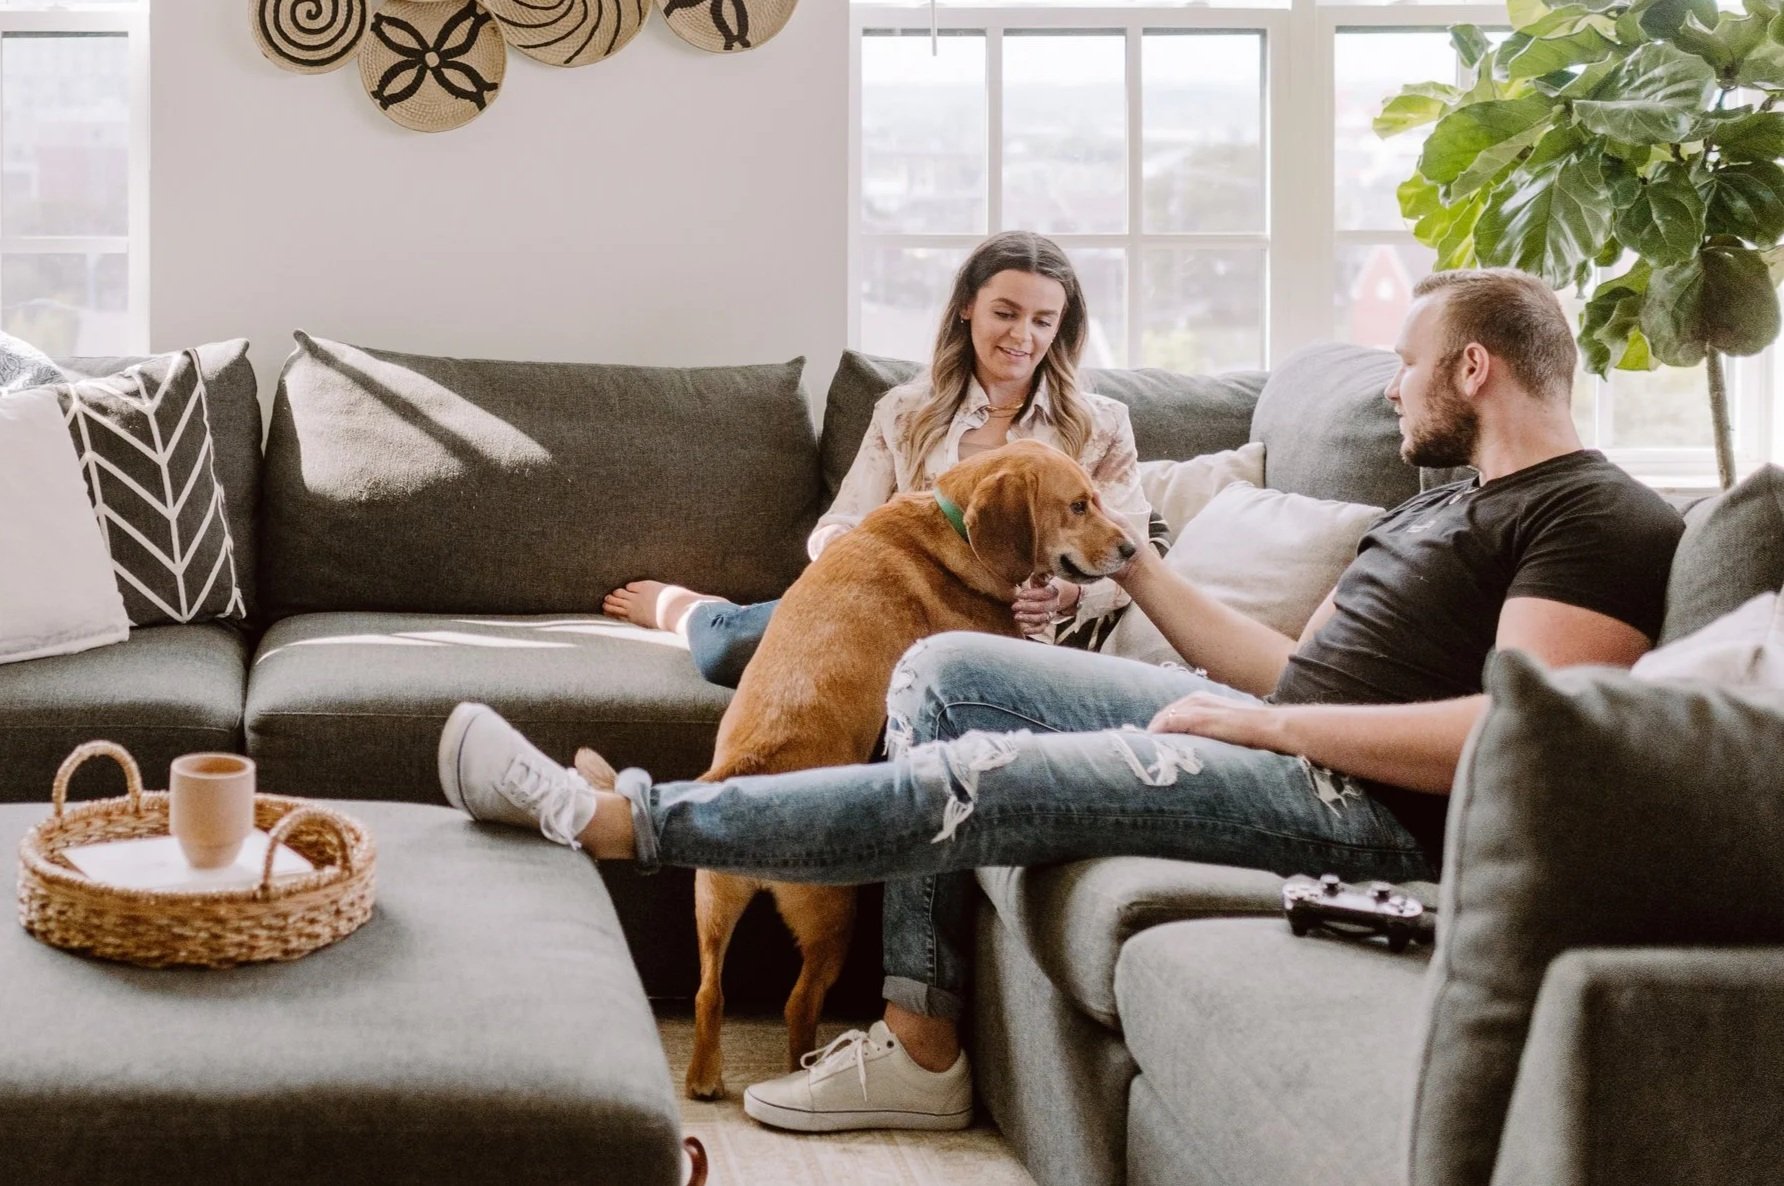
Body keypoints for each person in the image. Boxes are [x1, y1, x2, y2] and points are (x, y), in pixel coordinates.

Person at [438, 267, 1684, 1134]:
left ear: (1472, 367)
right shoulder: (1440, 505)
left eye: (1406, 369)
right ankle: (922, 1036)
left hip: (1351, 809)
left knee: (992, 773)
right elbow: (1278, 662)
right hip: (1280, 731)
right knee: (939, 668)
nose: (1387, 393)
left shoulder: (1596, 515)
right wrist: (1131, 557)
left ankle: (628, 822)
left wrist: (1268, 726)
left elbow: (1521, 738)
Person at [600, 229, 1157, 685]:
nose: (1022, 336)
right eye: (1006, 312)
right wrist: (868, 569)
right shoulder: (906, 411)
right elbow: (841, 524)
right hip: (897, 612)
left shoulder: (1101, 426)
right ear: (967, 307)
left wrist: (1060, 595)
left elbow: (1134, 559)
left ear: (1061, 328)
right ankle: (690, 609)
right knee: (730, 650)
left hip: (1019, 641)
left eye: (1043, 320)